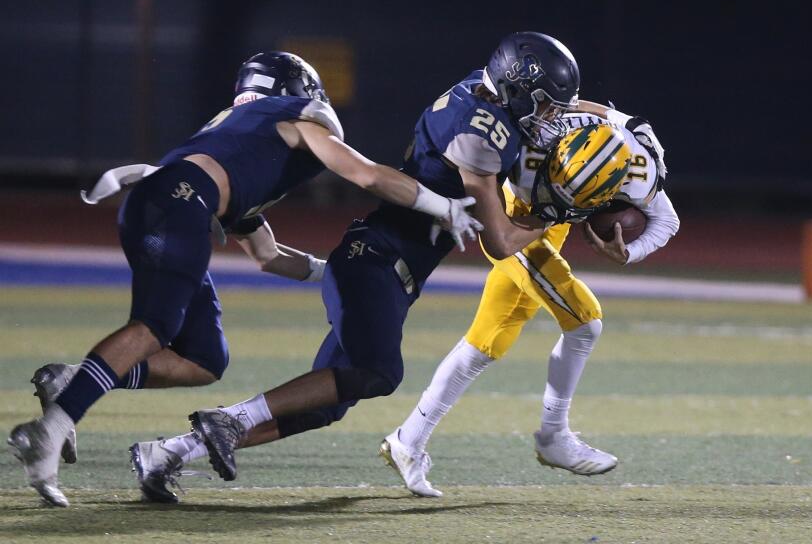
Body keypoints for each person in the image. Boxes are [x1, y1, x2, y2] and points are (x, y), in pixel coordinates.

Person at [7, 51, 485, 508]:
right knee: (153, 326)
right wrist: (441, 205)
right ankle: (51, 428)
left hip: (172, 201)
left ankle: (72, 380)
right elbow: (364, 175)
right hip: (179, 201)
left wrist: (328, 270)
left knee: (204, 359)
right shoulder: (298, 118)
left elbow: (268, 256)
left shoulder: (244, 140)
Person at [128, 31, 586, 503]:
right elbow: (501, 239)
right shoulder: (481, 137)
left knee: (327, 404)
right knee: (378, 372)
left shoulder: (482, 92)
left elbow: (544, 123)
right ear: (515, 88)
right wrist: (567, 211)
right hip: (378, 260)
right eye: (547, 106)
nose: (552, 118)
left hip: (381, 264)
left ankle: (167, 452)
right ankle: (230, 420)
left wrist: (610, 118)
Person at [380, 109, 680, 497]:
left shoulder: (636, 173)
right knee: (585, 321)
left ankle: (407, 440)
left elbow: (667, 220)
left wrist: (628, 252)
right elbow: (499, 231)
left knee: (485, 343)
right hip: (514, 223)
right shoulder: (532, 149)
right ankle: (554, 435)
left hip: (552, 232)